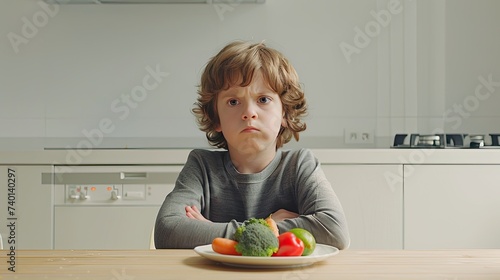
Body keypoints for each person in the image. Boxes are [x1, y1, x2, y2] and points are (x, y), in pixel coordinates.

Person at [154, 41, 350, 250]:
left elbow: (334, 231)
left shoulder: (299, 165)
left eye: (263, 99)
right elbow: (168, 231)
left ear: (284, 113)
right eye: (233, 102)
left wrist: (213, 231)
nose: (249, 112)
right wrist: (267, 226)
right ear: (216, 118)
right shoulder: (202, 166)